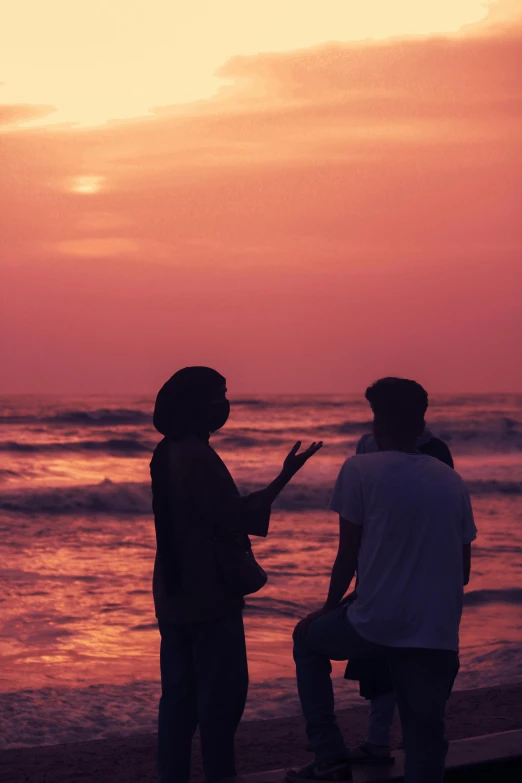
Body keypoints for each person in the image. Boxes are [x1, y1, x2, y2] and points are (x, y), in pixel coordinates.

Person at [288, 377, 476, 783]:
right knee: (426, 739)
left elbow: (347, 556)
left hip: (377, 622)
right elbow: (462, 573)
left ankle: (329, 757)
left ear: (377, 421)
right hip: (439, 632)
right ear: (421, 421)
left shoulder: (359, 468)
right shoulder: (452, 480)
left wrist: (328, 607)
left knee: (307, 640)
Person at [151, 366, 322, 783]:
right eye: (219, 396)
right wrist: (284, 477)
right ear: (199, 404)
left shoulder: (165, 451)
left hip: (172, 592)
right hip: (207, 591)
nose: (224, 405)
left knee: (177, 700)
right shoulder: (196, 455)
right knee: (220, 701)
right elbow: (234, 516)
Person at [348, 417, 455, 763]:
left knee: (401, 662)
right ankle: (387, 739)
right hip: (396, 572)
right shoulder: (373, 447)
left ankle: (393, 740)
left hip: (399, 572)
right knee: (393, 663)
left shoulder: (429, 451)